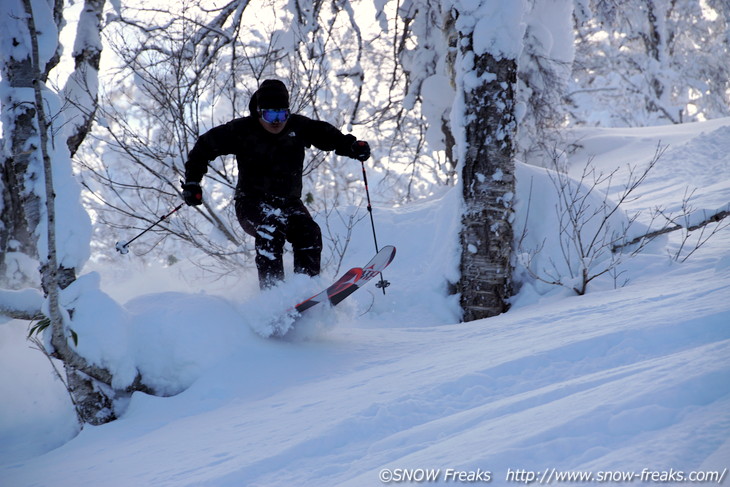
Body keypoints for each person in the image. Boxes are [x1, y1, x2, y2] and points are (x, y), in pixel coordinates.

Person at [182, 79, 371, 289]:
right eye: (270, 115)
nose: (276, 122)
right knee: (270, 229)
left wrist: (353, 147)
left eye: (282, 114)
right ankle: (273, 294)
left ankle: (305, 289)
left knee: (308, 231)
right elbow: (203, 148)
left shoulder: (298, 127)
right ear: (259, 112)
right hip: (251, 204)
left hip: (289, 203)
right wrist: (192, 182)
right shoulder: (242, 130)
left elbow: (329, 137)